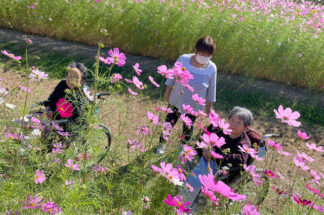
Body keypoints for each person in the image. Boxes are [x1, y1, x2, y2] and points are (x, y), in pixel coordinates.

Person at [183, 106, 262, 210]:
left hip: (223, 169)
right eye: (232, 120)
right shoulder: (220, 131)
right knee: (187, 162)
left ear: (245, 127)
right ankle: (184, 196)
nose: (233, 124)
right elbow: (204, 139)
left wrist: (217, 155)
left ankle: (190, 206)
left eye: (239, 122)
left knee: (198, 174)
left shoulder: (244, 142)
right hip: (206, 160)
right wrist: (205, 148)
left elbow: (239, 159)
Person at [155, 36, 217, 154]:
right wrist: (167, 92)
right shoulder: (183, 59)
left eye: (208, 55)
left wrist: (210, 105)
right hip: (177, 100)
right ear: (196, 50)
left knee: (188, 127)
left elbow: (212, 88)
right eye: (202, 53)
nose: (204, 57)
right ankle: (161, 145)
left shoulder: (212, 67)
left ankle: (182, 149)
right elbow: (172, 76)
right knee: (169, 123)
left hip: (194, 104)